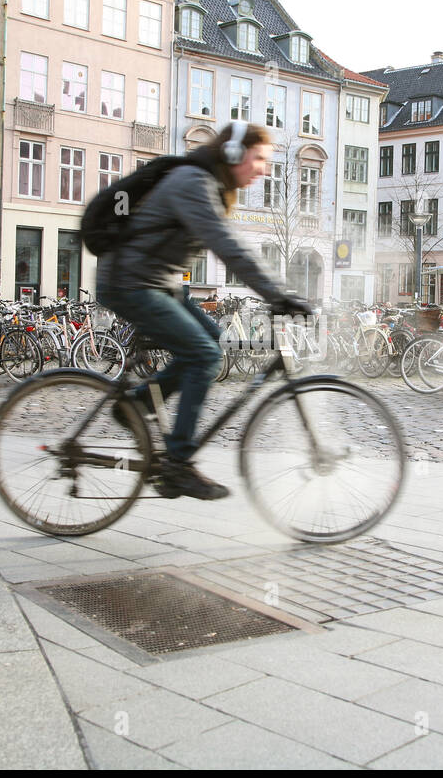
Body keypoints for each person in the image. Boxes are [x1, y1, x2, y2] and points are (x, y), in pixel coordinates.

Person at [97, 122, 311, 500]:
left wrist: (277, 294)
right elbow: (226, 245)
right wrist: (278, 296)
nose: (264, 168)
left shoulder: (210, 186)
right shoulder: (194, 182)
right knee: (204, 355)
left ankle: (138, 404)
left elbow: (230, 242)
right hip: (132, 283)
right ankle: (178, 465)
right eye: (259, 158)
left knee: (215, 344)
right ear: (232, 153)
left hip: (156, 284)